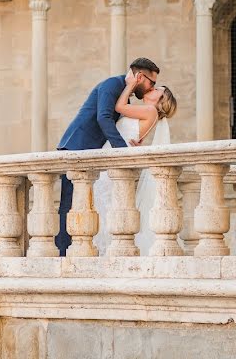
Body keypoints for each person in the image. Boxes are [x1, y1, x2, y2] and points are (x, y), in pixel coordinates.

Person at [55, 58, 161, 256]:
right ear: (139, 76)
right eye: (151, 83)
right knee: (70, 205)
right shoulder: (112, 85)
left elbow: (120, 124)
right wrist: (121, 151)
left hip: (91, 152)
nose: (150, 88)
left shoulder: (125, 94)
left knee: (84, 205)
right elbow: (103, 117)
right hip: (77, 147)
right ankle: (62, 254)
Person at [92, 74, 178, 255]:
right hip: (110, 157)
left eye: (157, 90)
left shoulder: (150, 111)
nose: (152, 89)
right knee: (105, 204)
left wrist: (130, 85)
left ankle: (105, 249)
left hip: (112, 161)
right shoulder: (149, 114)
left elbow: (119, 107)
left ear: (161, 100)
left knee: (105, 205)